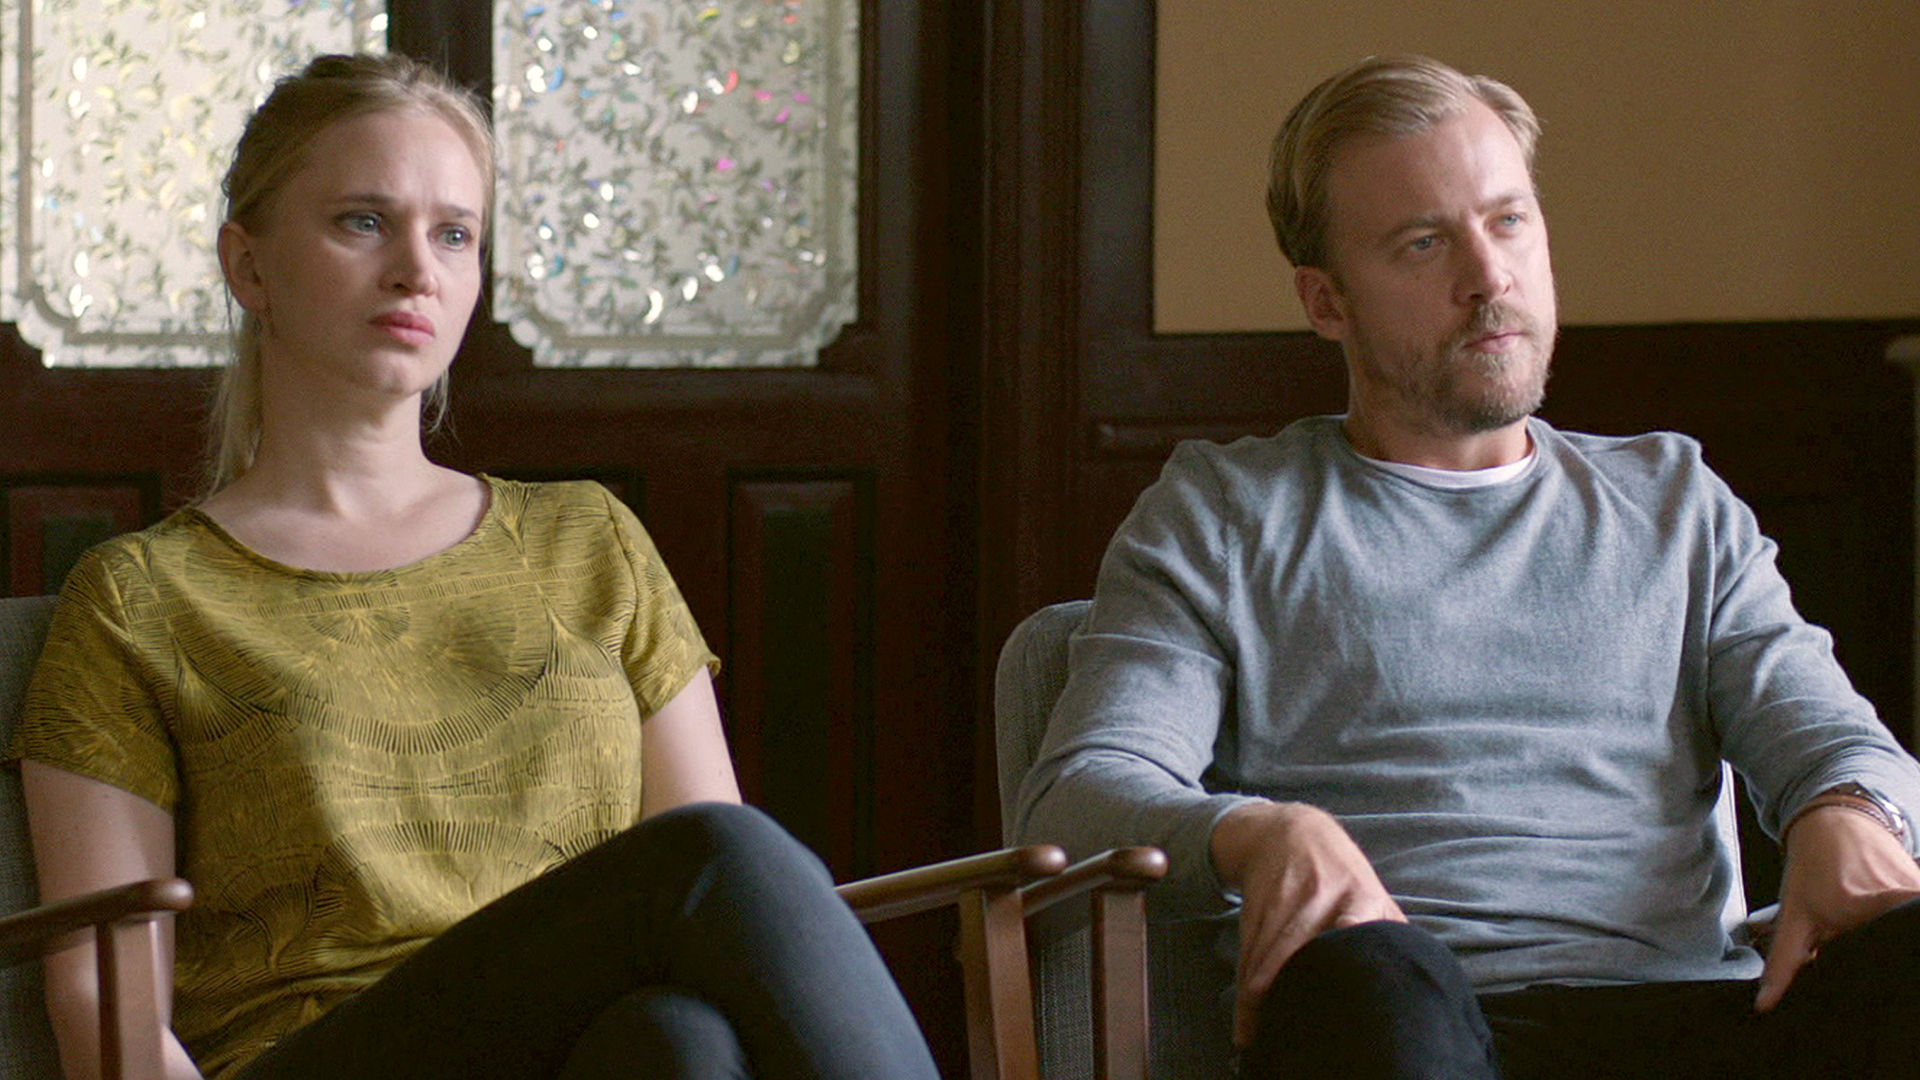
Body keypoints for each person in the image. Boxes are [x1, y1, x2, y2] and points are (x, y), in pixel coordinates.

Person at [7, 54, 940, 1080]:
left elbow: (714, 920)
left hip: (584, 1052)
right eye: (363, 221)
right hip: (318, 1059)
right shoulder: (141, 598)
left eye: (454, 234)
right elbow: (103, 1000)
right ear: (249, 266)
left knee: (679, 1039)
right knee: (725, 859)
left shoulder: (590, 542)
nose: (418, 268)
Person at [1014, 53, 1920, 1079]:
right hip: (1406, 1019)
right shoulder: (1225, 514)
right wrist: (1260, 833)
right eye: (1423, 242)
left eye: (1508, 221)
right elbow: (1079, 793)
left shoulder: (1675, 503)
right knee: (1369, 978)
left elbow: (1837, 738)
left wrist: (1850, 810)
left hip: (1691, 1018)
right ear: (1326, 301)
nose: (1489, 278)